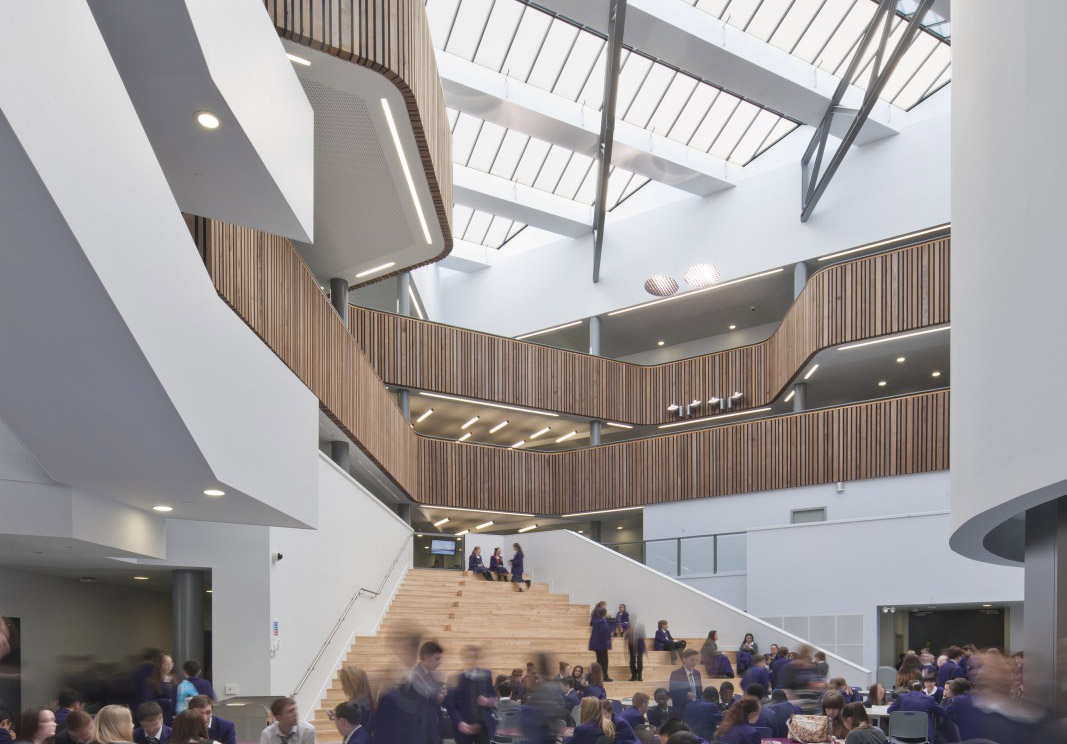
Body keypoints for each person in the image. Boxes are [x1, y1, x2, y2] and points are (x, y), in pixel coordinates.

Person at [445, 646, 496, 744]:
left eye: (473, 657)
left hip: (482, 727)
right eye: (468, 657)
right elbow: (450, 704)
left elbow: (493, 697)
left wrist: (488, 701)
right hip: (464, 728)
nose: (471, 660)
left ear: (477, 658)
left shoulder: (486, 675)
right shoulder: (454, 678)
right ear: (463, 658)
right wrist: (459, 722)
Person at [338, 665, 374, 734]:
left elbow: (353, 735)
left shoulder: (356, 707)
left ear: (351, 685)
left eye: (344, 684)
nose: (342, 688)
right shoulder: (369, 702)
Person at [668, 649, 702, 716]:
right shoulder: (676, 674)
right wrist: (686, 695)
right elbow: (672, 693)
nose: (695, 662)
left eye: (696, 660)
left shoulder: (697, 673)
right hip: (682, 709)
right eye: (692, 660)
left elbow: (699, 691)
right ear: (684, 659)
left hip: (696, 708)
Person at [589, 607, 613, 683]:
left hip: (596, 645)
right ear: (605, 613)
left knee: (599, 661)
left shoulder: (596, 621)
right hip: (602, 645)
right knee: (604, 661)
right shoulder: (603, 621)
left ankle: (597, 676)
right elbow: (607, 631)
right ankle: (605, 676)